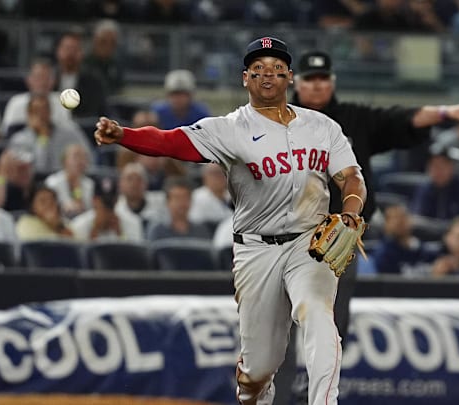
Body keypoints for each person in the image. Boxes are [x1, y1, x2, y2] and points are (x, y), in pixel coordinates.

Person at [95, 36, 367, 405]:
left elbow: (351, 177)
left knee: (318, 315)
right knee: (259, 369)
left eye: (276, 69)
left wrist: (350, 210)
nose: (267, 76)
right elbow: (169, 141)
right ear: (245, 78)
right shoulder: (229, 129)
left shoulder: (323, 127)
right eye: (258, 70)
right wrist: (123, 135)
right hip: (256, 250)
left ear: (290, 77)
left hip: (310, 243)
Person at [290, 48, 459, 382]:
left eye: (323, 79)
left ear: (332, 82)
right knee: (282, 324)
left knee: (334, 325)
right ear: (296, 82)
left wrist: (444, 112)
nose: (317, 86)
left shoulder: (353, 120)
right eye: (310, 79)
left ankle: (321, 394)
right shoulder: (277, 121)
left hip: (338, 240)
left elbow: (400, 119)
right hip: (288, 236)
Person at [8, 95, 91, 174]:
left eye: (44, 110)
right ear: (29, 114)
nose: (41, 115)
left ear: (50, 111)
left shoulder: (70, 133)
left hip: (68, 181)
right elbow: (39, 169)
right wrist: (43, 137)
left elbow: (88, 156)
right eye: (36, 111)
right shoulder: (20, 140)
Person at [53, 31, 108, 118]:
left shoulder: (93, 82)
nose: (70, 54)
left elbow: (98, 112)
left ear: (82, 53)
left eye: (75, 49)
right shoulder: (49, 78)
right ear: (58, 51)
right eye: (67, 48)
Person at [146, 176, 212, 241]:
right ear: (168, 202)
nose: (181, 203)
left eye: (185, 198)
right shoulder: (158, 230)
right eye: (177, 198)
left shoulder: (201, 231)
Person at [44, 144, 94, 219]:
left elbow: (86, 210)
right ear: (64, 160)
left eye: (84, 157)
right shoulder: (52, 182)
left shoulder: (89, 184)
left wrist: (77, 188)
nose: (81, 161)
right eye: (76, 156)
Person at [83, 20, 125, 94]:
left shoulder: (116, 65)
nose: (107, 47)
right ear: (95, 41)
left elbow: (119, 89)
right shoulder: (83, 64)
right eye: (103, 42)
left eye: (112, 43)